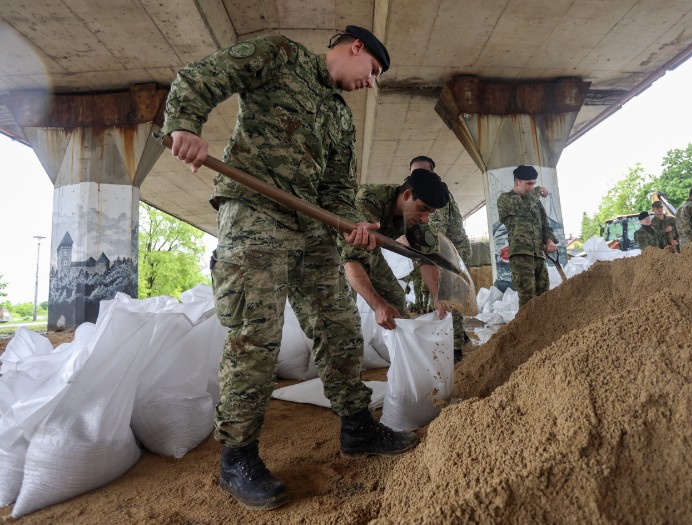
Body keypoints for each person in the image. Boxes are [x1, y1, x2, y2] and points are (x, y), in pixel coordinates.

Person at [161, 25, 419, 510]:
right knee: (255, 336)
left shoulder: (342, 120)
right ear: (355, 48)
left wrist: (349, 224)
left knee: (340, 327)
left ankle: (358, 427)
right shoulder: (279, 55)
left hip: (312, 233)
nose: (373, 82)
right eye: (374, 70)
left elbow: (339, 187)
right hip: (254, 215)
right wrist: (186, 125)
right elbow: (202, 77)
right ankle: (238, 457)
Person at [341, 169, 450, 330]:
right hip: (334, 248)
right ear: (407, 195)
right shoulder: (370, 199)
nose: (424, 218)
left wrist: (437, 296)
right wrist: (378, 305)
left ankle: (400, 349)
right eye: (423, 208)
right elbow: (352, 259)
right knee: (342, 309)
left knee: (396, 299)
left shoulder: (415, 218)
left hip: (369, 250)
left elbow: (427, 257)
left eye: (430, 213)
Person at [408, 155, 472, 361]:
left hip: (451, 253)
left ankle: (454, 350)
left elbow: (434, 238)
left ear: (432, 174)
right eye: (414, 173)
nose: (417, 177)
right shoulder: (418, 193)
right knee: (445, 297)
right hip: (442, 250)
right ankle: (458, 335)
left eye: (422, 172)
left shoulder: (434, 196)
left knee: (450, 296)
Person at [496, 165, 558, 308]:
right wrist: (536, 192)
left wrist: (549, 241)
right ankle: (526, 330)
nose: (532, 187)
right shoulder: (505, 199)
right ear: (517, 182)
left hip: (539, 255)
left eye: (534, 184)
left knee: (544, 296)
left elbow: (545, 225)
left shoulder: (535, 202)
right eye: (529, 183)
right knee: (527, 299)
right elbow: (522, 209)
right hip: (521, 256)